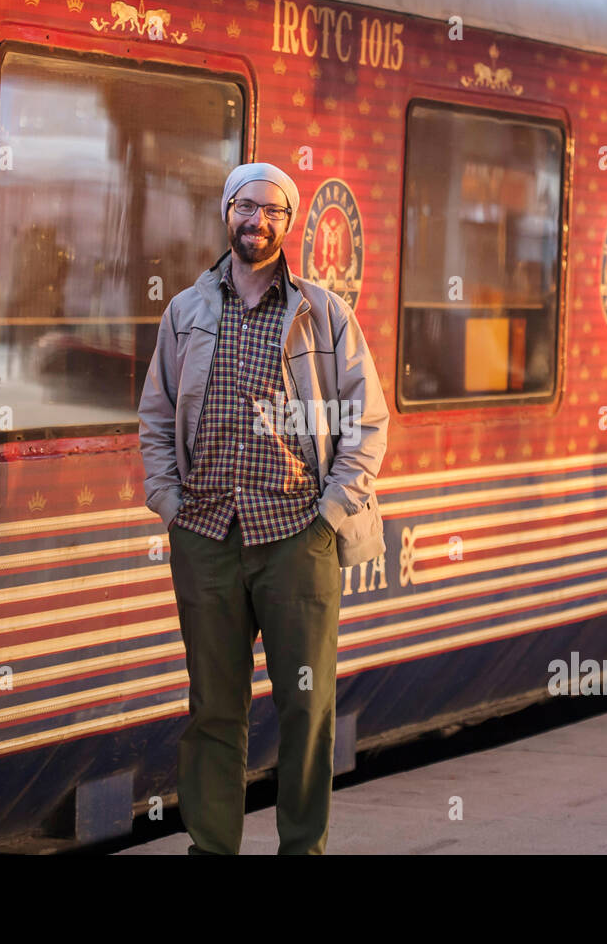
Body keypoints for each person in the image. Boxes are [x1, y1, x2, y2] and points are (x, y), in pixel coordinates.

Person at [137, 162, 388, 854]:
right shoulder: (186, 311)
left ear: (290, 222)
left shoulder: (324, 313)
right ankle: (211, 847)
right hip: (206, 532)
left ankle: (301, 848)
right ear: (228, 212)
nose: (259, 221)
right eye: (248, 207)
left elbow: (368, 421)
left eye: (275, 210)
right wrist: (167, 500)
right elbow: (155, 416)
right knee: (214, 710)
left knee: (307, 708)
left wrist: (332, 512)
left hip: (296, 535)